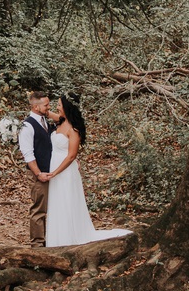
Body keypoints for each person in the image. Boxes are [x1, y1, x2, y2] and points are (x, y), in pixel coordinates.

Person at [39, 93, 132, 247]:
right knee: (57, 203)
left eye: (59, 105)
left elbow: (71, 156)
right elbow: (46, 112)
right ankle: (57, 239)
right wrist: (38, 107)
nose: (57, 107)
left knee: (66, 202)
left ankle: (68, 238)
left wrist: (55, 172)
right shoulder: (61, 121)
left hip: (65, 171)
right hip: (55, 168)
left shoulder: (74, 129)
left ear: (67, 107)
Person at [18, 91, 62, 247]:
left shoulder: (45, 120)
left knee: (53, 206)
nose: (49, 107)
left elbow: (64, 120)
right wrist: (38, 174)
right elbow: (28, 154)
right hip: (40, 173)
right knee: (39, 209)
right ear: (35, 107)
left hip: (52, 172)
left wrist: (47, 112)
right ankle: (37, 244)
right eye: (46, 105)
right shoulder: (27, 126)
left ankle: (50, 239)